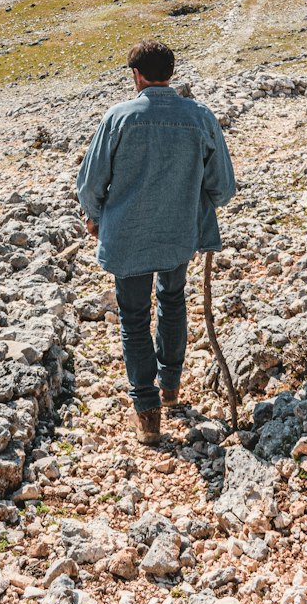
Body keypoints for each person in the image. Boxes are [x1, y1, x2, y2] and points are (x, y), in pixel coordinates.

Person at [77, 37, 236, 445]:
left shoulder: (118, 117)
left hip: (128, 235)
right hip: (179, 232)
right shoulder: (199, 116)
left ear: (137, 75)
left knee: (133, 317)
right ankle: (170, 387)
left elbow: (90, 184)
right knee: (172, 299)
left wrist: (96, 218)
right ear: (170, 74)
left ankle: (147, 414)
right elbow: (223, 189)